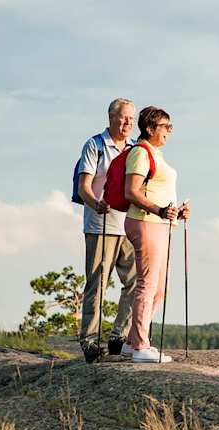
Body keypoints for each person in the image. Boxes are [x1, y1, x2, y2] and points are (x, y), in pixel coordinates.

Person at [123, 106, 191, 363]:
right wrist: (160, 211)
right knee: (148, 284)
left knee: (159, 288)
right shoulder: (140, 152)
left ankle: (131, 342)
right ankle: (141, 346)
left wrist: (176, 212)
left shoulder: (155, 154)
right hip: (145, 222)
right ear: (150, 128)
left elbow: (156, 192)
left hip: (159, 224)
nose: (170, 131)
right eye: (166, 126)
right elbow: (131, 191)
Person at [75, 98, 138, 361]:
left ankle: (117, 337)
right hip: (100, 225)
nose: (128, 123)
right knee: (98, 284)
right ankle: (90, 341)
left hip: (129, 225)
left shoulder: (135, 148)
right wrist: (95, 203)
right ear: (111, 117)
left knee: (136, 281)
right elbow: (84, 187)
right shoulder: (95, 145)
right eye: (124, 117)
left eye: (132, 118)